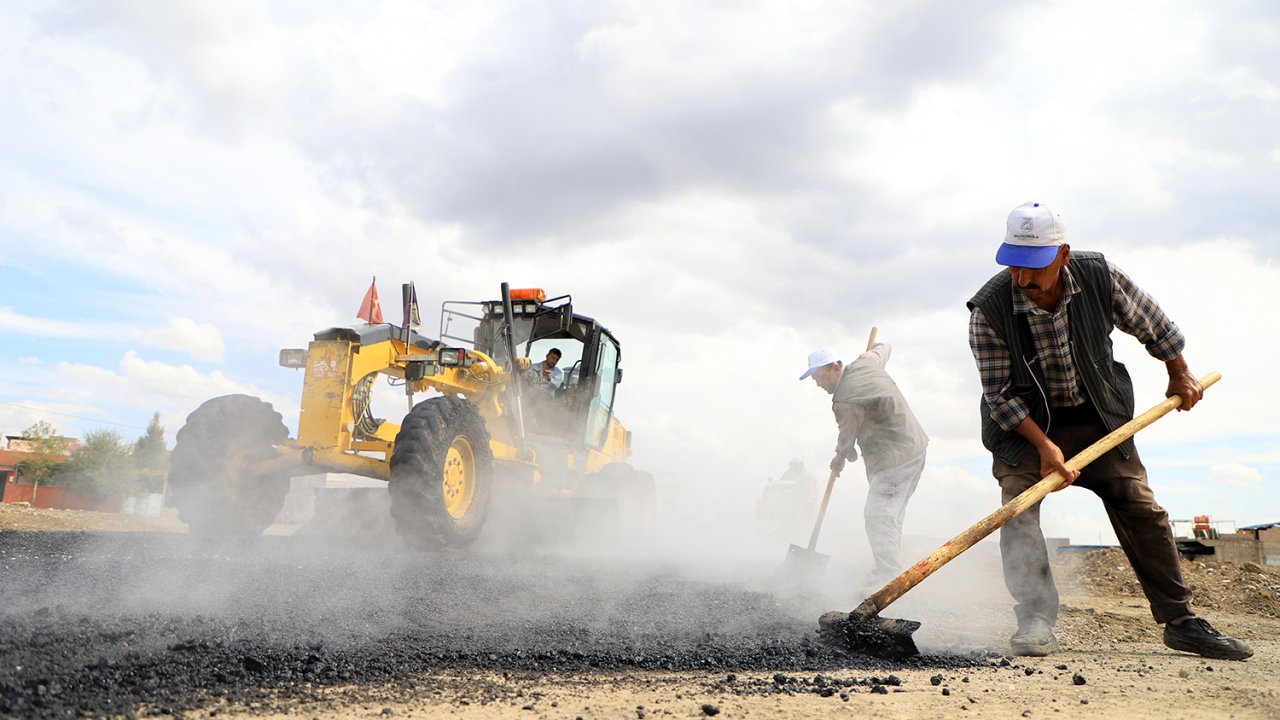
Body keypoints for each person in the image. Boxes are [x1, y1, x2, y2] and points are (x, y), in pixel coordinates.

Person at [967, 201, 1251, 660]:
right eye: (1015, 265)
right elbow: (999, 396)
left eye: (1034, 266)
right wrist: (1045, 446)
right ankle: (1035, 617)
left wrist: (1179, 371)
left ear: (1063, 254)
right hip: (1024, 428)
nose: (1023, 278)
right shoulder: (988, 309)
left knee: (1140, 505)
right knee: (1019, 507)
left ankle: (1180, 620)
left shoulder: (1100, 276)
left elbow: (1154, 323)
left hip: (1098, 416)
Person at [800, 341, 929, 589]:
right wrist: (877, 345)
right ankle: (890, 573)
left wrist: (839, 457)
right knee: (891, 515)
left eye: (820, 377)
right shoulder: (866, 362)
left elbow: (846, 440)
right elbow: (885, 347)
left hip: (894, 459)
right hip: (916, 448)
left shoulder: (844, 401)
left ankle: (889, 578)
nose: (818, 384)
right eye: (814, 379)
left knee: (878, 516)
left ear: (835, 368)